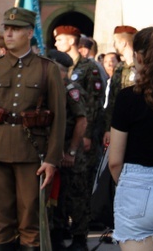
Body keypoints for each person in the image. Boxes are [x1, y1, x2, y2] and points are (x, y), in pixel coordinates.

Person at [0, 7, 66, 251]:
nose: (9, 34)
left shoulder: (47, 69)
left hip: (31, 153)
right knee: (1, 222)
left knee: (30, 222)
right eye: (7, 29)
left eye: (16, 30)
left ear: (30, 33)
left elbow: (59, 118)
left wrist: (52, 159)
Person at [108, 26, 153, 251]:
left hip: (138, 186)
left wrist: (127, 185)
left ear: (138, 57)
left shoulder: (127, 99)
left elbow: (114, 161)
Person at [53, 25, 105, 250]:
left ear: (72, 40)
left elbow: (92, 105)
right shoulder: (62, 72)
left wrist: (87, 136)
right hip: (61, 142)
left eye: (60, 39)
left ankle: (79, 236)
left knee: (78, 190)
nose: (56, 43)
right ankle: (59, 231)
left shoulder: (87, 68)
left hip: (80, 136)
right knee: (60, 192)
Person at [45, 49, 88, 251]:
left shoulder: (71, 89)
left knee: (75, 196)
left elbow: (81, 121)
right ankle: (57, 237)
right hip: (55, 152)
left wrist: (71, 151)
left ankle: (80, 239)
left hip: (71, 154)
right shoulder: (50, 88)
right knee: (57, 198)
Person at [103, 26, 138, 146]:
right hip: (118, 126)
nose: (114, 45)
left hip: (135, 126)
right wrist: (108, 128)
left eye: (116, 41)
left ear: (123, 43)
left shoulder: (140, 67)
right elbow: (112, 100)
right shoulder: (119, 68)